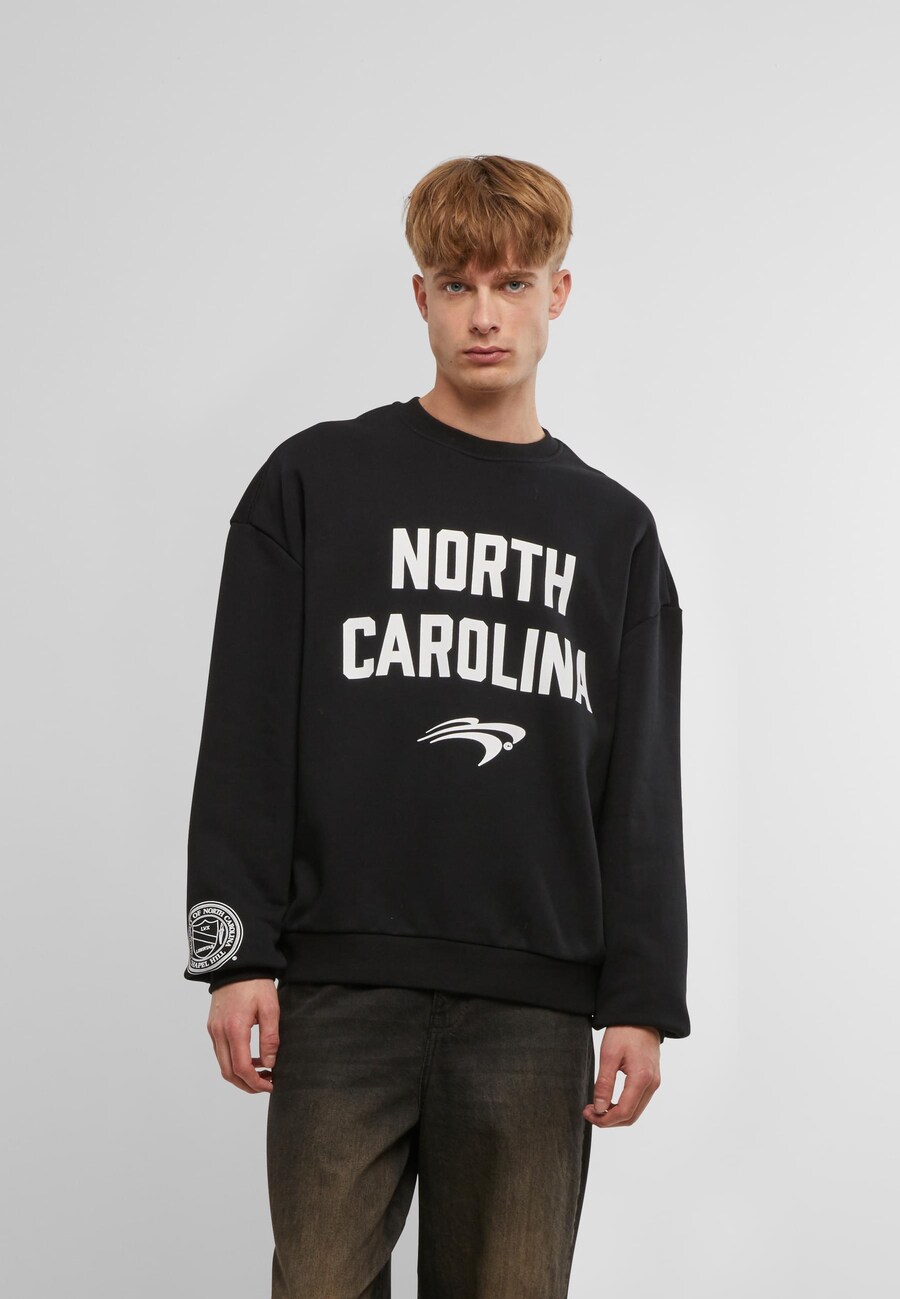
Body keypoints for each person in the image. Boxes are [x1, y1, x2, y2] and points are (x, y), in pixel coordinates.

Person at [184, 153, 690, 1299]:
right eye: (457, 285)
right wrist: (233, 952)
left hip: (533, 1004)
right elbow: (248, 729)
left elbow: (641, 783)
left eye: (512, 284)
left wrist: (644, 1001)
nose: (484, 315)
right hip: (340, 987)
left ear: (559, 293)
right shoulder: (314, 482)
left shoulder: (612, 531)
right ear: (420, 296)